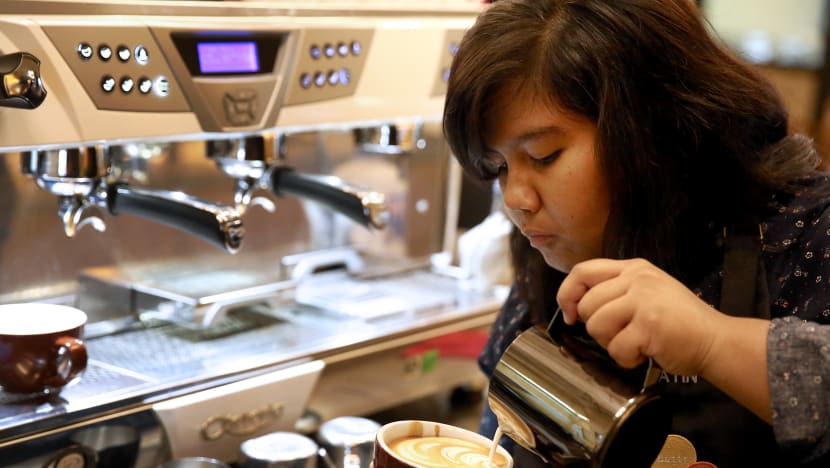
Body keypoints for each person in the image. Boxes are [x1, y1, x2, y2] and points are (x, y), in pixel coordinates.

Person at [442, 0, 830, 467]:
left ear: (649, 126)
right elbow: (495, 444)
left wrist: (712, 342)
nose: (516, 198)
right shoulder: (552, 254)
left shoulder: (803, 232)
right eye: (499, 167)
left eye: (544, 155)